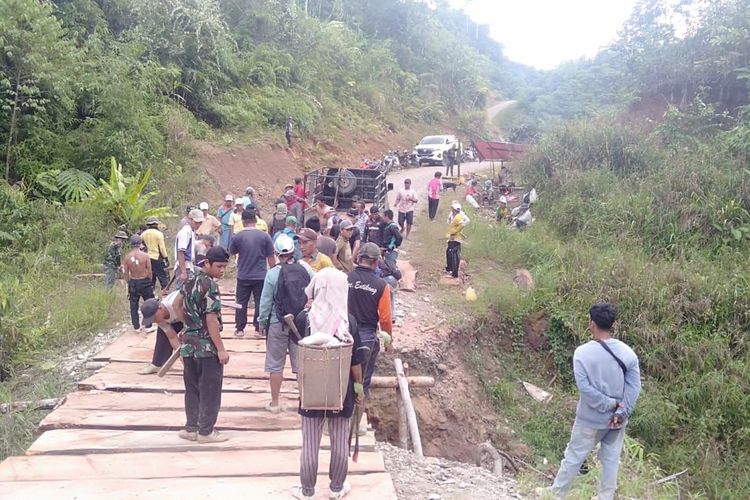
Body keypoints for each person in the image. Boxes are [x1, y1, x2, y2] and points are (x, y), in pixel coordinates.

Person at [548, 304, 641, 500]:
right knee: (611, 460)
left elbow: (586, 390)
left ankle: (556, 495)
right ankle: (605, 497)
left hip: (589, 419)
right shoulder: (628, 353)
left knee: (573, 457)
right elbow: (634, 388)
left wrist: (608, 404)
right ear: (612, 324)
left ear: (592, 324)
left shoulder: (581, 353)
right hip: (616, 421)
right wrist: (621, 412)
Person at [291, 268, 364, 500]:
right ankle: (336, 488)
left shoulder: (304, 320)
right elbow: (356, 361)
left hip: (311, 388)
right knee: (340, 440)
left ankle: (307, 490)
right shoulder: (348, 322)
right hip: (341, 391)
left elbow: (298, 347)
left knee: (310, 442)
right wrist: (359, 388)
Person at [179, 246, 231, 443]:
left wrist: (189, 323)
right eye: (219, 266)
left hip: (188, 345)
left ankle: (191, 428)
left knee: (192, 387)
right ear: (207, 263)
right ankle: (206, 431)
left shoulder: (189, 279)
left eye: (224, 267)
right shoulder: (210, 286)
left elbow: (177, 305)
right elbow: (211, 320)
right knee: (210, 389)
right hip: (206, 347)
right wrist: (221, 349)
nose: (222, 270)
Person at [258, 234, 314, 412]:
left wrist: (261, 322)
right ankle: (304, 401)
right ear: (293, 251)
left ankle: (275, 403)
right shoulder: (305, 269)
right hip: (300, 323)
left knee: (276, 364)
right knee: (301, 365)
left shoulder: (272, 274)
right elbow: (316, 287)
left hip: (278, 322)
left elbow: (265, 301)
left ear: (275, 253)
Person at [347, 242, 393, 432]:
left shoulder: (345, 279)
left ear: (359, 259)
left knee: (341, 378)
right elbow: (385, 317)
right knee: (362, 382)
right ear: (375, 263)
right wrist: (388, 340)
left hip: (343, 333)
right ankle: (355, 426)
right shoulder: (381, 285)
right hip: (366, 337)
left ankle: (333, 421)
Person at [229, 209, 276, 337]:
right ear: (256, 221)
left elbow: (232, 251)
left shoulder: (238, 236)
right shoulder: (265, 236)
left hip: (243, 275)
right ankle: (258, 329)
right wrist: (274, 272)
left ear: (243, 221)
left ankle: (239, 329)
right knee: (260, 301)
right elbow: (271, 257)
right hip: (260, 275)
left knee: (240, 302)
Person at [138, 291, 185, 374]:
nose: (154, 321)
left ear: (160, 307)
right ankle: (158, 363)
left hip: (191, 314)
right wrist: (181, 354)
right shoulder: (160, 319)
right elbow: (172, 337)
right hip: (176, 320)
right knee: (162, 333)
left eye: (154, 317)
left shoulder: (174, 304)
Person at [123, 234, 155, 331]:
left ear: (131, 244)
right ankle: (148, 326)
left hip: (133, 281)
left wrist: (129, 282)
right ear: (140, 244)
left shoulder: (127, 257)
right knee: (149, 303)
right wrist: (150, 281)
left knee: (133, 304)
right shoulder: (145, 256)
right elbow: (149, 271)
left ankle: (136, 326)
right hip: (144, 281)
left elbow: (125, 272)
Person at [175, 209, 204, 290]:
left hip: (188, 265)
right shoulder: (186, 232)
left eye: (200, 222)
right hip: (185, 266)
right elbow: (181, 252)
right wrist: (183, 272)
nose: (198, 225)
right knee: (181, 293)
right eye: (196, 222)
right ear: (190, 220)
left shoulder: (191, 231)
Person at [141, 217, 170, 294]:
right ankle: (165, 296)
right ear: (156, 224)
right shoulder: (159, 234)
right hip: (157, 258)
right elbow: (162, 248)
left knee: (151, 278)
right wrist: (166, 258)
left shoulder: (143, 234)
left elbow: (142, 246)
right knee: (163, 277)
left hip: (147, 258)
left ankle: (152, 295)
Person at [376, 247, 402, 322]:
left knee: (389, 288)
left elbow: (398, 274)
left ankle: (390, 315)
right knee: (389, 287)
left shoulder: (383, 260)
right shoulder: (380, 259)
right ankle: (391, 315)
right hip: (378, 280)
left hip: (382, 280)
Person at [445, 201, 470, 279]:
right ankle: (451, 270)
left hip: (455, 237)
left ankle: (453, 271)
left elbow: (462, 224)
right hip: (453, 237)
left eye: (452, 208)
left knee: (453, 253)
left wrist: (455, 231)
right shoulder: (455, 215)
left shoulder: (458, 216)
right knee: (453, 253)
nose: (451, 209)